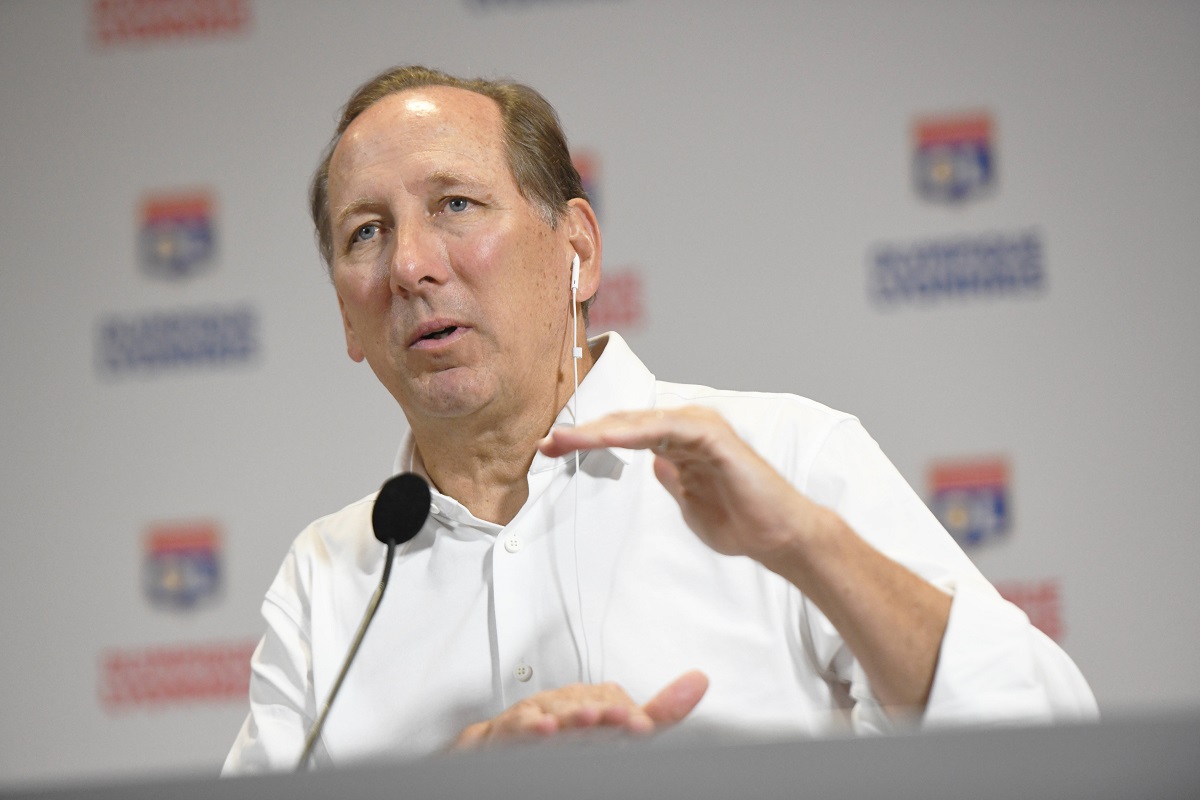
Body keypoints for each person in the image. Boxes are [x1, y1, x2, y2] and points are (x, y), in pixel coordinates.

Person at [223, 65, 1096, 773]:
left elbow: (1051, 747)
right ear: (346, 316)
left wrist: (807, 548)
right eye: (366, 232)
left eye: (455, 204)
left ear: (578, 250)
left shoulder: (783, 457)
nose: (410, 264)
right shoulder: (327, 578)